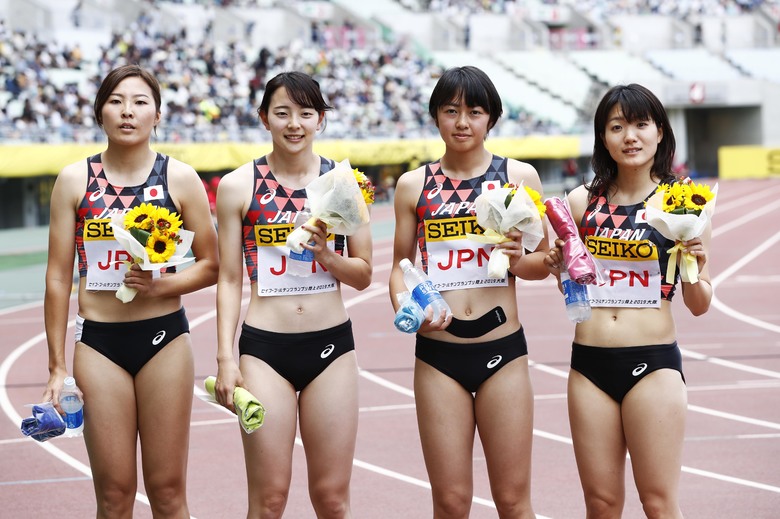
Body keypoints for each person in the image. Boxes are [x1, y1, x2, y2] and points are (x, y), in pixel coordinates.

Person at [42, 64, 219, 518]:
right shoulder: (73, 181)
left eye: (140, 102)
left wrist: (161, 286)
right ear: (100, 111)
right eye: (116, 101)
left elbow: (212, 266)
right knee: (115, 496)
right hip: (99, 344)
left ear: (157, 114)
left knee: (166, 491)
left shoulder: (179, 179)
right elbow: (59, 277)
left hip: (164, 342)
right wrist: (57, 366)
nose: (127, 112)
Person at [544, 83, 712, 518]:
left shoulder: (682, 204)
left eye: (641, 124)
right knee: (600, 504)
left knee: (657, 501)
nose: (630, 136)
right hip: (589, 367)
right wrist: (557, 264)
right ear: (604, 137)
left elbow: (698, 302)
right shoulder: (582, 202)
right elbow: (568, 279)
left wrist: (694, 260)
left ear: (660, 132)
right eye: (617, 126)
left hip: (652, 365)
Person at [389, 66, 549, 518]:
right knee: (451, 501)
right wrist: (409, 307)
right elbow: (400, 270)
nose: (462, 122)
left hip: (503, 350)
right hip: (438, 354)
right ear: (435, 117)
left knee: (514, 502)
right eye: (451, 110)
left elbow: (541, 265)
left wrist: (520, 255)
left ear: (491, 118)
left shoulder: (518, 177)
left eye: (474, 112)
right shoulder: (412, 186)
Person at [214, 71, 372, 518]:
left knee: (332, 499)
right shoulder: (237, 186)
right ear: (264, 118)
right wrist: (226, 357)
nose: (294, 123)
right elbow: (229, 278)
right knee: (268, 500)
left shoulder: (344, 184)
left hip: (331, 348)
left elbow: (362, 275)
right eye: (282, 113)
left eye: (306, 113)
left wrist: (328, 255)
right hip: (264, 349)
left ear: (321, 119)